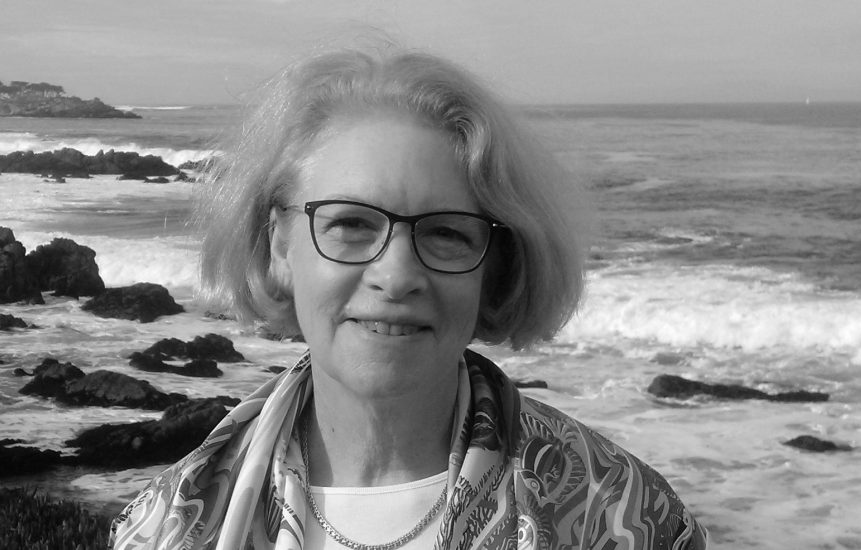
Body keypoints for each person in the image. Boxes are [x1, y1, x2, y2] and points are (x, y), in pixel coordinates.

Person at [109, 47, 707, 550]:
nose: (396, 276)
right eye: (350, 223)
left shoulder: (624, 517)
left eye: (446, 233)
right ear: (280, 245)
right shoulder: (161, 528)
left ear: (495, 265)